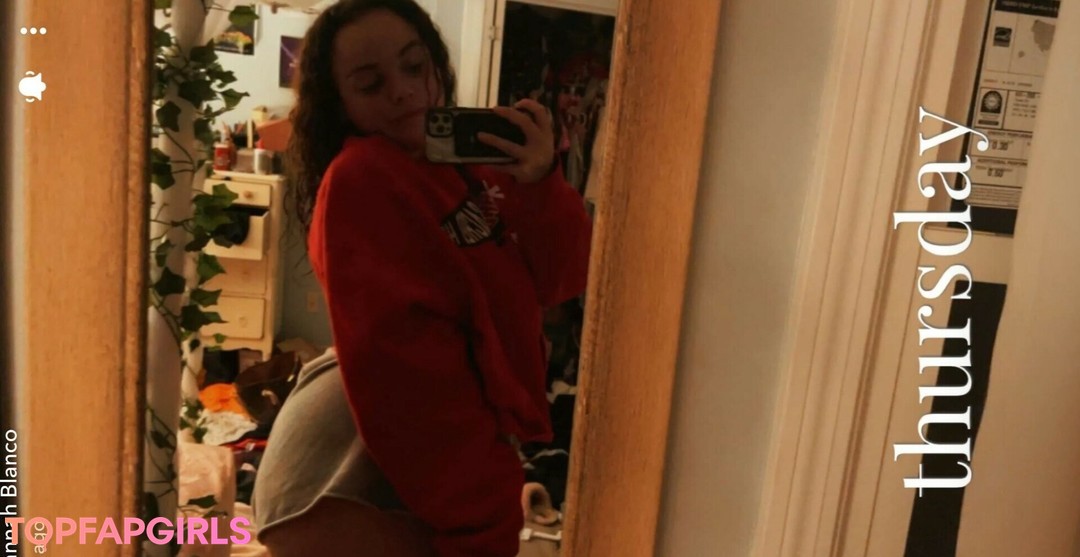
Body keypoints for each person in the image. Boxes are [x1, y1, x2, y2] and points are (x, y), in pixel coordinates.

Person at [250, 1, 593, 556]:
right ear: (341, 103)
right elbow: (408, 369)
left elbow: (560, 280)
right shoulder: (362, 181)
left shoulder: (460, 161)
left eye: (414, 66)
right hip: (384, 462)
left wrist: (541, 182)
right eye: (371, 84)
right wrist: (484, 511)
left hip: (440, 450)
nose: (404, 91)